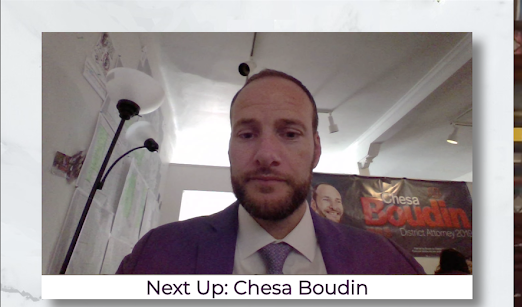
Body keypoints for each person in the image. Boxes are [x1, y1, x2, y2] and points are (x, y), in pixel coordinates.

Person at [116, 69, 423, 274]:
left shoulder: (390, 265)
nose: (266, 155)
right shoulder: (156, 255)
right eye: (247, 134)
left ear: (316, 149)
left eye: (289, 134)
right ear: (229, 149)